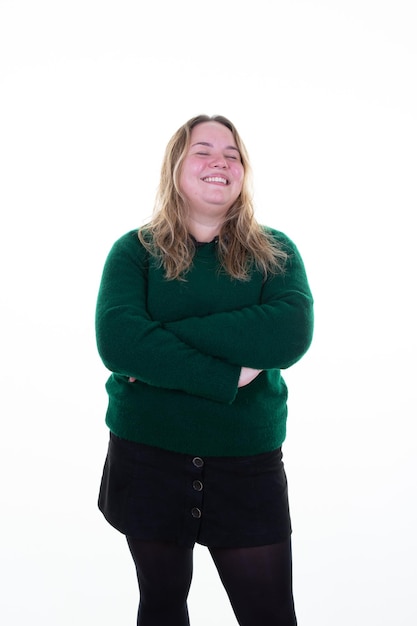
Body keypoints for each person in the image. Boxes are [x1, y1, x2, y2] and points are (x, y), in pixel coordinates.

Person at [95, 114, 314, 626]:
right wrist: (227, 373)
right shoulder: (135, 252)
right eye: (203, 150)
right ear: (176, 167)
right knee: (162, 606)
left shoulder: (276, 253)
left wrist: (158, 339)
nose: (220, 161)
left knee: (270, 614)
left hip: (246, 465)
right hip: (148, 459)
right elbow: (118, 341)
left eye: (232, 154)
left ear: (243, 173)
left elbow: (291, 332)